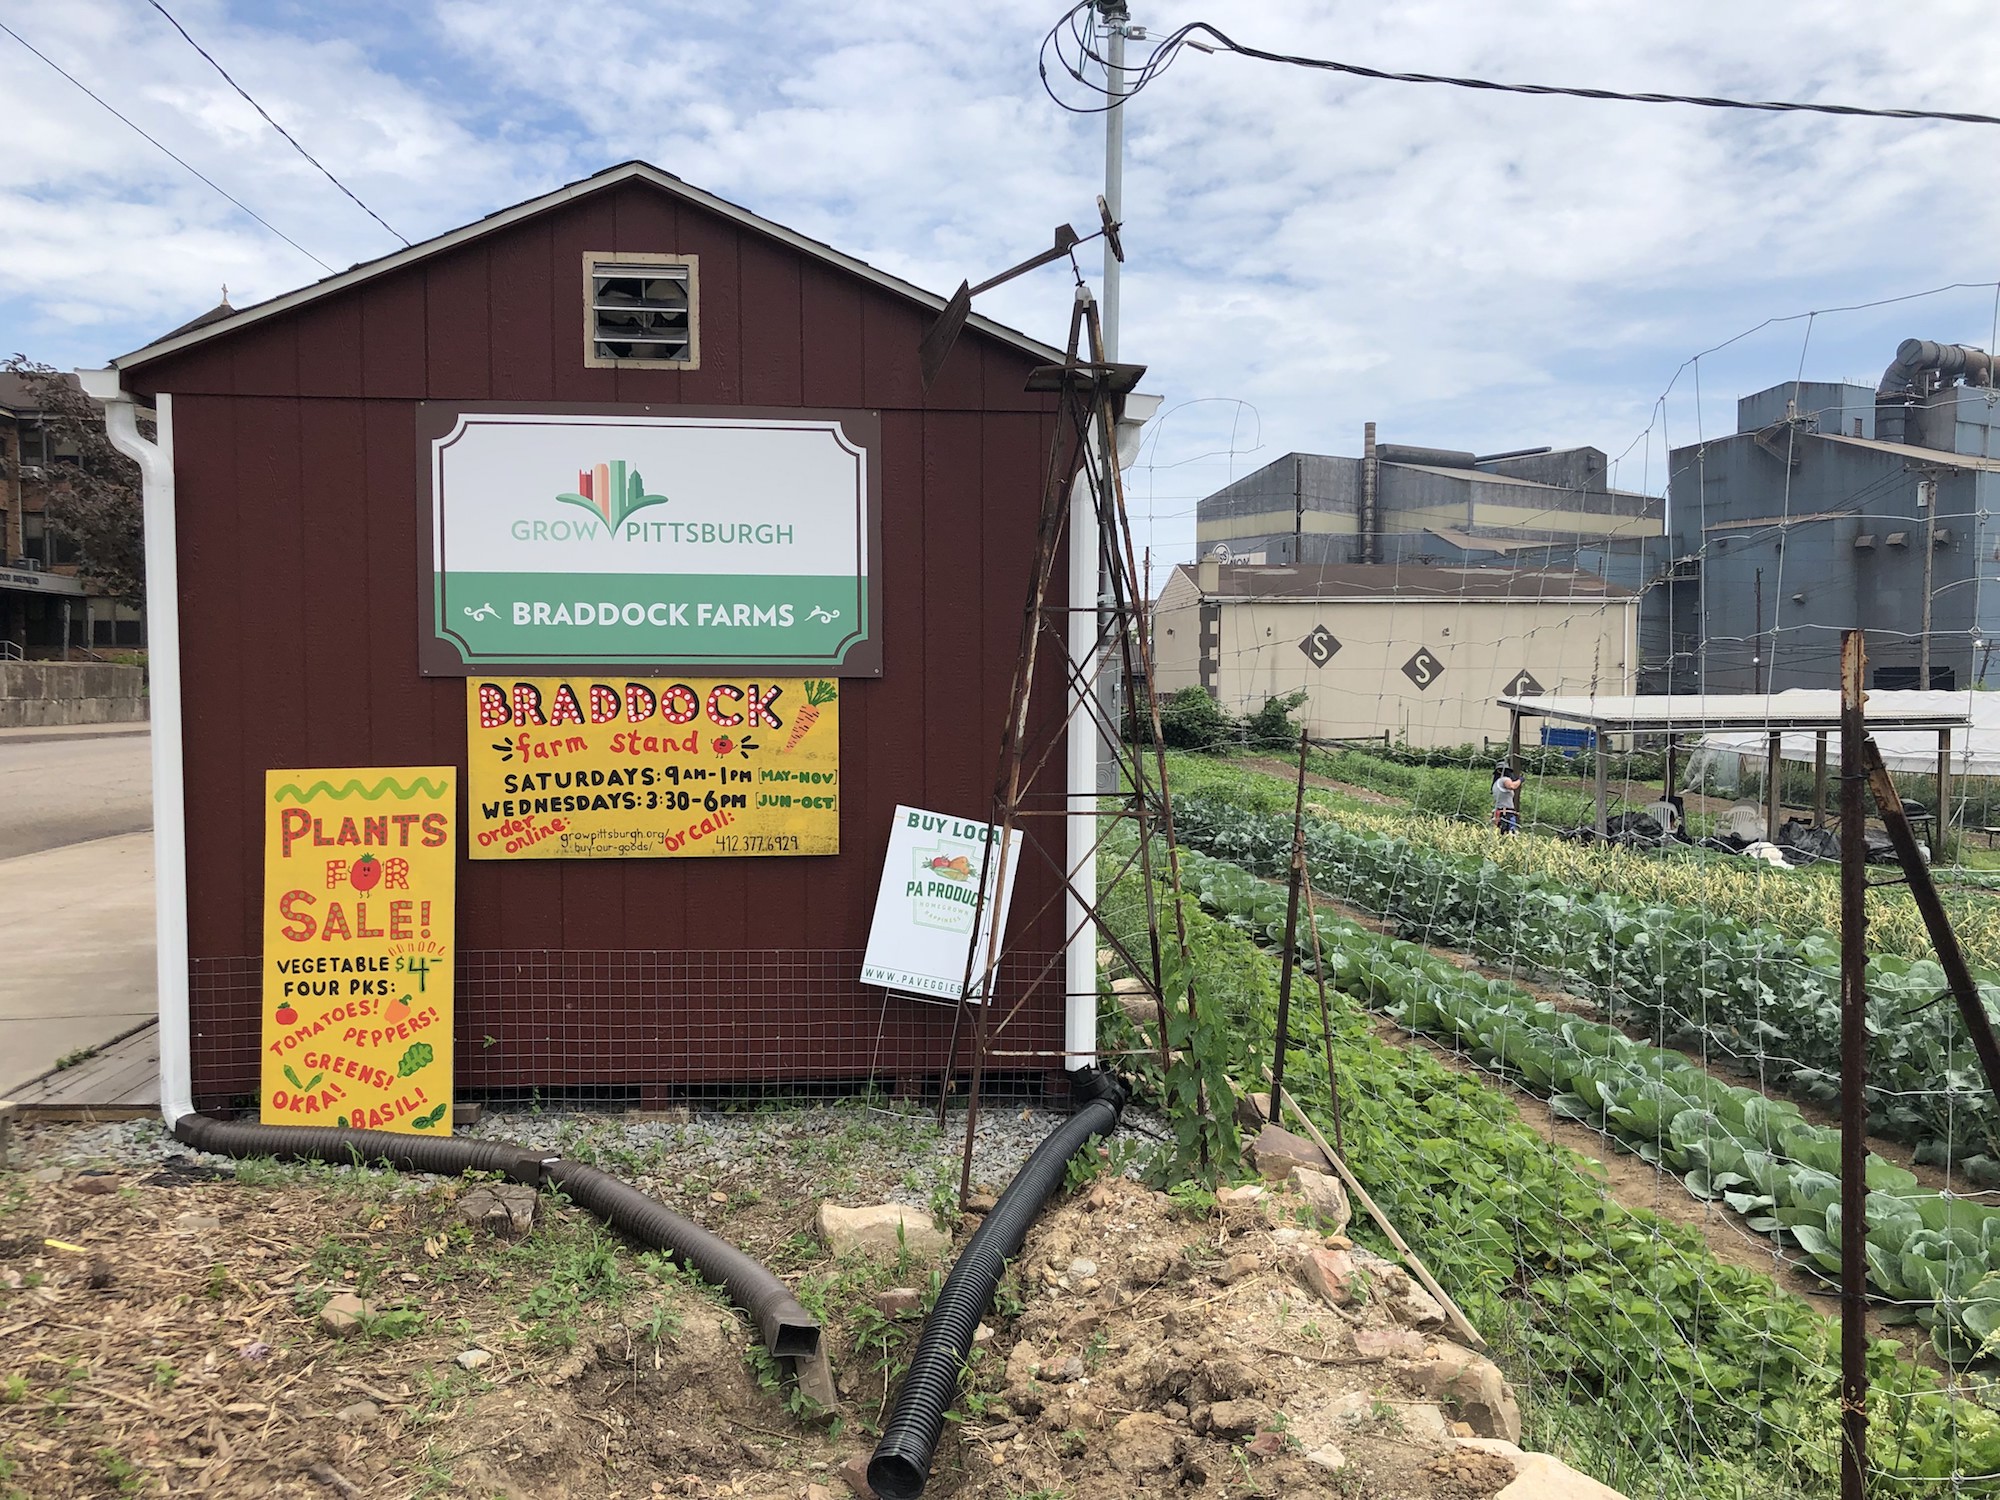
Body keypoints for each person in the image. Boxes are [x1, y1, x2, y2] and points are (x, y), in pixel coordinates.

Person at [1492, 763, 1522, 833]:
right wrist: (1520, 780)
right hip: (1506, 814)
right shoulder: (1504, 779)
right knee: (1510, 834)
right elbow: (1512, 786)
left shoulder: (1495, 783)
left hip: (1499, 812)